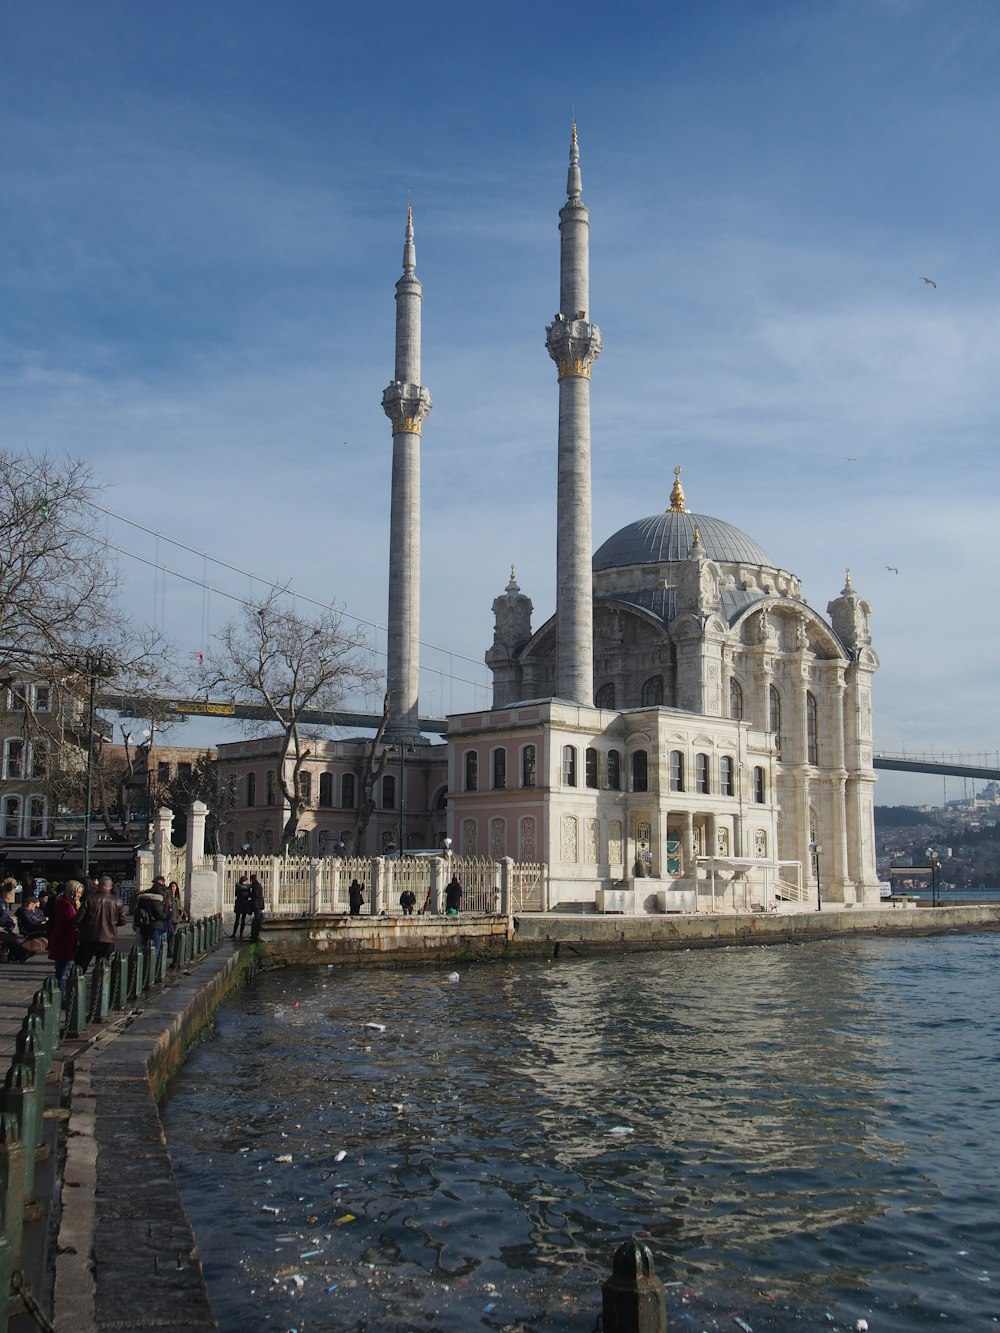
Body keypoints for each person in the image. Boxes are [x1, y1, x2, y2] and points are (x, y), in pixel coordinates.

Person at [75, 875, 127, 972]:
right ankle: (101, 985)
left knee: (81, 966)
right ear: (110, 887)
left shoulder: (89, 898)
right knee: (103, 966)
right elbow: (123, 921)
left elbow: (78, 918)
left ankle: (75, 984)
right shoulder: (117, 901)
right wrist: (111, 924)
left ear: (98, 885)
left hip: (89, 936)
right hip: (108, 938)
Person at [48, 880, 83, 1000]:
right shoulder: (62, 903)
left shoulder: (73, 903)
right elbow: (67, 920)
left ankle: (64, 995)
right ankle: (60, 997)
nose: (80, 895)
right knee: (62, 970)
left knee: (67, 969)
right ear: (71, 891)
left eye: (80, 893)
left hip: (70, 939)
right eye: (78, 892)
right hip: (63, 940)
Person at [134, 877, 171, 955]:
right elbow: (161, 915)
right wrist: (168, 913)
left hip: (144, 926)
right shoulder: (156, 901)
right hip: (156, 926)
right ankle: (153, 965)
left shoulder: (142, 899)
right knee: (155, 950)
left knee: (144, 947)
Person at [249, 875, 265, 941]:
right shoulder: (259, 885)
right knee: (258, 919)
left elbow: (255, 894)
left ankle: (256, 935)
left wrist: (249, 894)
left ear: (252, 879)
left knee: (257, 920)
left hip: (256, 905)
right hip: (260, 905)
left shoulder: (255, 886)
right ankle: (256, 934)